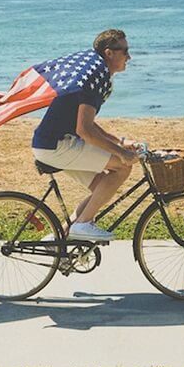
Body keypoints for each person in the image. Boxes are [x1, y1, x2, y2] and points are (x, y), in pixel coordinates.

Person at [31, 29, 139, 242]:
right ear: (109, 53)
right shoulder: (93, 78)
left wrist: (119, 142)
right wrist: (121, 153)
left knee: (102, 187)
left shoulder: (95, 73)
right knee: (123, 167)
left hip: (53, 143)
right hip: (57, 146)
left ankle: (59, 239)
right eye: (125, 51)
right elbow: (85, 131)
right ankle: (82, 225)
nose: (129, 56)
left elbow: (88, 125)